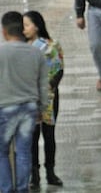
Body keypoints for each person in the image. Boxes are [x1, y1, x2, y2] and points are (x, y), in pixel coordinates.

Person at [0, 11, 49, 193]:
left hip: (4, 108)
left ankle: (5, 189)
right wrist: (42, 109)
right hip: (29, 109)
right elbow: (43, 86)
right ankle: (22, 189)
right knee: (24, 152)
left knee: (1, 152)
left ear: (4, 31)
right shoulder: (36, 53)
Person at [22, 11, 64, 190]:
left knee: (49, 135)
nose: (24, 29)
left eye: (27, 25)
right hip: (28, 97)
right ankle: (35, 174)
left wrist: (48, 88)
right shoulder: (21, 48)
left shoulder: (52, 46)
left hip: (48, 97)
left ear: (37, 26)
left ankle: (51, 171)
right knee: (31, 137)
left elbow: (59, 70)